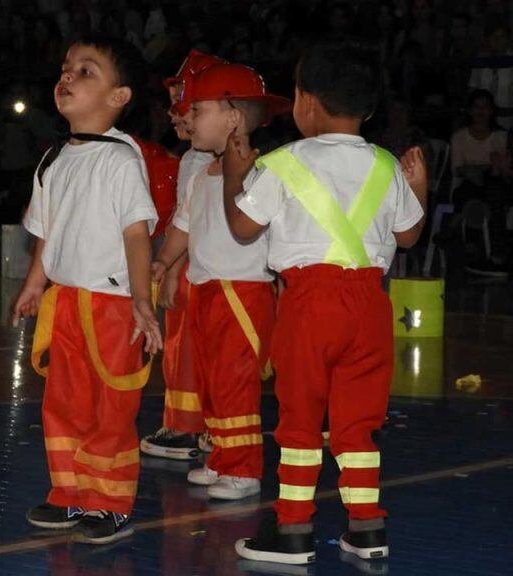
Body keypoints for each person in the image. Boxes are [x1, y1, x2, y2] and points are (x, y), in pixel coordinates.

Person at [222, 37, 427, 564]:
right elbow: (408, 237)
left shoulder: (284, 162)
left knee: (301, 417)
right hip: (370, 307)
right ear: (371, 106)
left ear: (305, 102)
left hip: (309, 305)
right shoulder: (384, 164)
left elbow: (243, 227)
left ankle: (292, 529)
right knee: (358, 422)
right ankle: (366, 527)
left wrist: (233, 175)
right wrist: (419, 189)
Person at [11, 35, 163, 545]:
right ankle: (70, 496)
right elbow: (46, 231)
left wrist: (142, 299)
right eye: (66, 67)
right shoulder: (54, 158)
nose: (68, 76)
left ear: (118, 97)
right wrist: (35, 283)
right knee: (64, 402)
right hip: (67, 303)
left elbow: (136, 232)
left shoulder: (121, 159)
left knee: (111, 408)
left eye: (86, 71)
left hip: (114, 305)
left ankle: (111, 503)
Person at [153, 62, 290, 500]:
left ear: (232, 119)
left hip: (243, 293)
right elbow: (183, 227)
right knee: (211, 379)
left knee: (235, 382)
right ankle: (220, 457)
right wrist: (162, 263)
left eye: (199, 110)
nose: (189, 119)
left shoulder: (259, 172)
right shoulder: (201, 176)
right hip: (207, 291)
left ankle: (244, 470)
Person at [140, 50, 223, 461]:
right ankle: (201, 424)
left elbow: (189, 221)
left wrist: (171, 271)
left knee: (185, 347)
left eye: (183, 106)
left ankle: (187, 427)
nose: (174, 116)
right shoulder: (207, 157)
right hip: (199, 265)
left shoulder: (199, 159)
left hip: (191, 268)